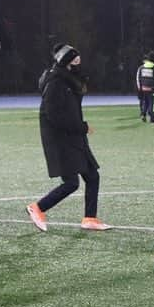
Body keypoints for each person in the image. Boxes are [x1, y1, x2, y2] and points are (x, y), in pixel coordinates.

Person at [26, 43, 109, 232]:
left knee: (92, 176)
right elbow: (53, 115)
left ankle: (90, 218)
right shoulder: (55, 81)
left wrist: (80, 129)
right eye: (74, 59)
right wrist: (81, 127)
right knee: (71, 183)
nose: (78, 62)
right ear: (66, 60)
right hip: (61, 140)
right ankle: (38, 207)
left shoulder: (67, 79)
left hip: (74, 138)